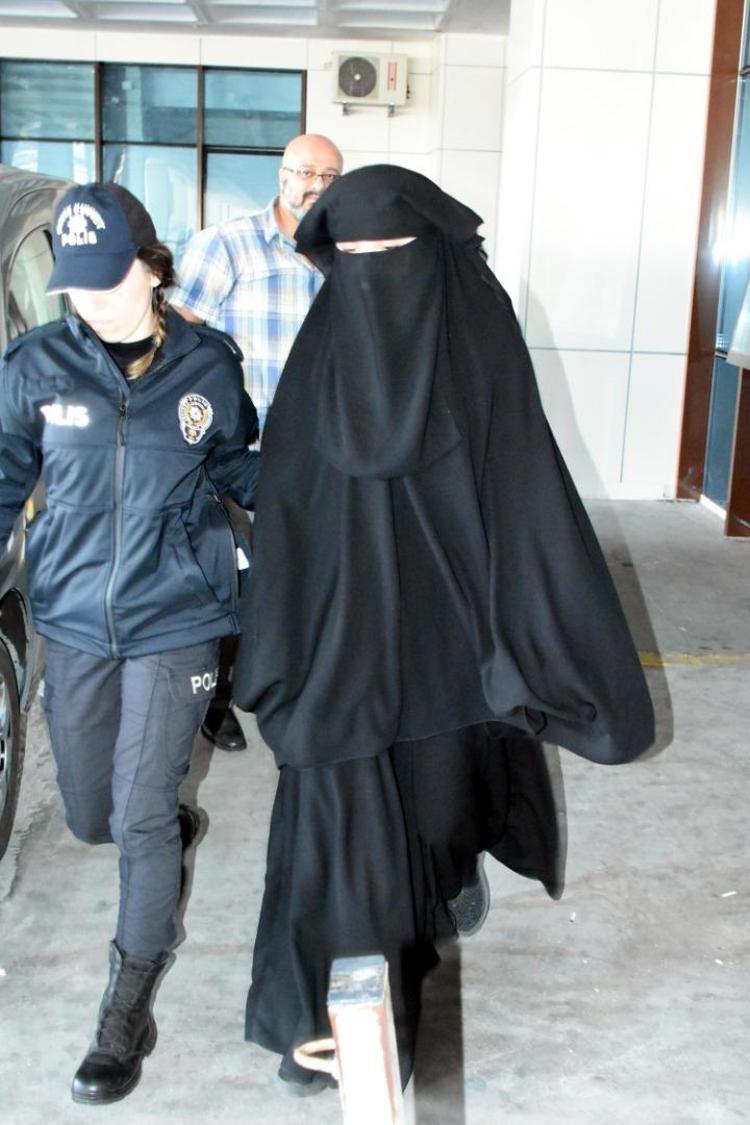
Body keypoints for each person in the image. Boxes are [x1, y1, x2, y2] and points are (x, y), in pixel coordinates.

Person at [232, 165, 655, 1094]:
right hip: (341, 647)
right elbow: (290, 504)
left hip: (454, 643)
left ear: (432, 252)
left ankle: (443, 882)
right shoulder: (323, 351)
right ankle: (325, 1022)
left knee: (437, 814)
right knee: (338, 820)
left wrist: (533, 625)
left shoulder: (478, 336)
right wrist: (278, 637)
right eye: (352, 255)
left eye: (390, 252)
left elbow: (524, 486)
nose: (372, 272)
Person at [0, 182, 259, 1105]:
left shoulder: (207, 366)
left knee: (141, 813)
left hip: (176, 615)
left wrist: (325, 498)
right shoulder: (34, 366)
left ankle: (125, 1010)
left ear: (153, 268)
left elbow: (238, 466)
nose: (91, 301)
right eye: (75, 284)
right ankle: (164, 829)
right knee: (91, 815)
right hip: (72, 617)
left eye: (109, 280)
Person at [171, 132, 344, 752]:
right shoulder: (227, 245)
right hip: (237, 453)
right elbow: (177, 340)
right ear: (282, 175)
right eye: (306, 173)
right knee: (233, 582)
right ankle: (216, 698)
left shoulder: (345, 256)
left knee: (307, 580)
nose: (316, 187)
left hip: (321, 453)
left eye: (330, 177)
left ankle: (295, 689)